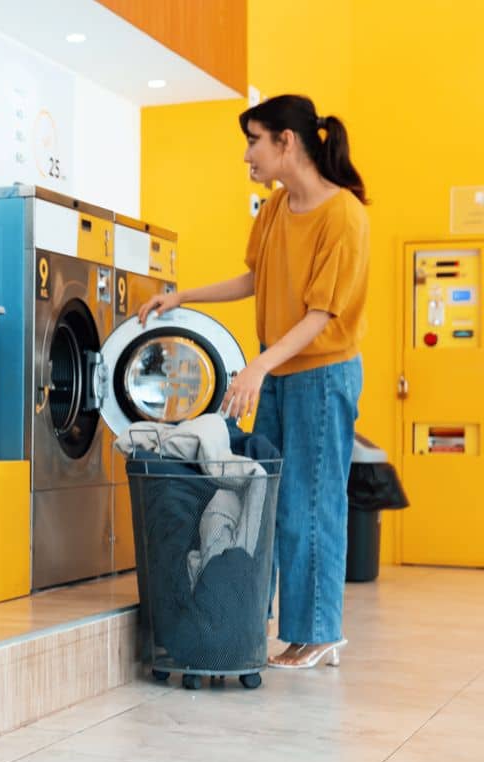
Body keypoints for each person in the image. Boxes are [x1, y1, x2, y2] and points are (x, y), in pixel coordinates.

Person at [138, 93, 369, 671]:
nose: (247, 156)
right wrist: (182, 296)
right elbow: (253, 278)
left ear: (286, 142)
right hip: (279, 370)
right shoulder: (273, 210)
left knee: (308, 506)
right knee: (261, 500)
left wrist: (259, 366)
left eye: (253, 140)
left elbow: (321, 315)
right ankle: (265, 625)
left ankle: (319, 632)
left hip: (321, 373)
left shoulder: (343, 216)